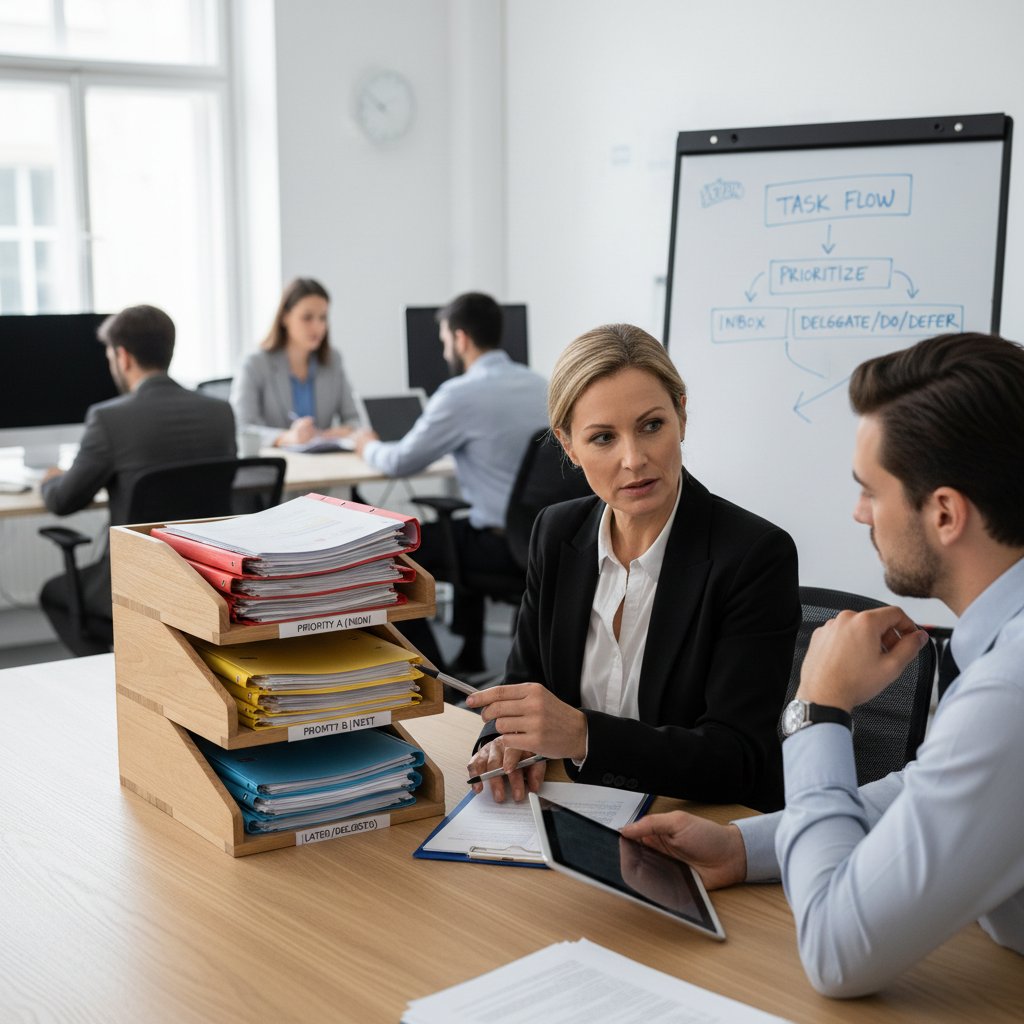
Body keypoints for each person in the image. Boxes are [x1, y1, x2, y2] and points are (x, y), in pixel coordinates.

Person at [621, 331, 1024, 997]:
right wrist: (747, 846)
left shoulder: (1010, 689)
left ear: (945, 513)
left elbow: (838, 953)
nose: (859, 513)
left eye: (870, 490)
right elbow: (933, 794)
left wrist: (819, 708)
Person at [464, 324, 800, 811]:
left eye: (651, 426)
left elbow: (737, 757)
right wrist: (502, 741)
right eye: (603, 437)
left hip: (698, 820)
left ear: (681, 416)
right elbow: (522, 683)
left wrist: (583, 735)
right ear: (568, 446)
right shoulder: (556, 533)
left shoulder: (753, 555)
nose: (634, 459)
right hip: (571, 806)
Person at [354, 291, 548, 675]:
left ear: (460, 338)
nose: (445, 351)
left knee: (389, 557)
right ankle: (470, 655)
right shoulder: (542, 386)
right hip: (545, 542)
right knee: (459, 526)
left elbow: (400, 461)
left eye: (444, 340)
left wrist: (367, 444)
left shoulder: (460, 394)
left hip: (500, 546)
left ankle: (435, 674)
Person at [40, 304, 237, 655]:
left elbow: (63, 501)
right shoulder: (220, 412)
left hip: (138, 579)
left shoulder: (108, 419)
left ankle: (124, 668)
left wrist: (50, 479)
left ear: (123, 356)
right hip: (207, 578)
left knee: (54, 594)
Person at [231, 277, 360, 449]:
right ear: (285, 317)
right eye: (307, 318)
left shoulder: (333, 361)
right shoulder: (255, 364)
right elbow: (241, 429)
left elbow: (355, 420)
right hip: (277, 461)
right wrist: (286, 437)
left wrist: (342, 431)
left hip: (323, 460)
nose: (317, 327)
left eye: (323, 318)